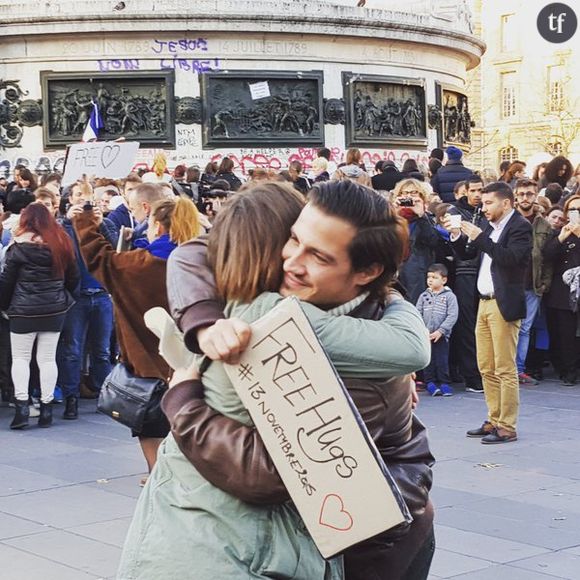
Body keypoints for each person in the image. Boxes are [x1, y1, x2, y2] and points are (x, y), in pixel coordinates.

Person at [120, 182, 435, 580]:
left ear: (367, 272)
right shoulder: (271, 298)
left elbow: (268, 474)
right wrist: (202, 323)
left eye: (318, 256)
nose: (292, 262)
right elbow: (194, 253)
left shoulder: (356, 357)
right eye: (292, 240)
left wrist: (183, 399)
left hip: (357, 550)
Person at [72, 193, 201, 472]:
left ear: (158, 225)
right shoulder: (201, 261)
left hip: (146, 360)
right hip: (194, 360)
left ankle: (157, 474)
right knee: (189, 421)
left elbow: (99, 258)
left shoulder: (137, 266)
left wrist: (84, 222)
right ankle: (185, 472)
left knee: (149, 423)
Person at [447, 182, 533, 444]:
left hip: (503, 303)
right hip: (483, 302)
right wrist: (457, 236)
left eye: (488, 203)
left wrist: (479, 237)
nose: (483, 208)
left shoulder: (520, 227)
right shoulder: (489, 227)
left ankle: (507, 425)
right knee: (486, 366)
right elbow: (468, 253)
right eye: (482, 203)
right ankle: (493, 418)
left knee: (505, 367)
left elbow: (510, 259)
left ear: (505, 203)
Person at [0, 203, 79, 429]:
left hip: (23, 310)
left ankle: (22, 409)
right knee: (47, 358)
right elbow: (73, 278)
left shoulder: (19, 247)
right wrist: (65, 298)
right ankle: (47, 411)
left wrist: (4, 306)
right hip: (54, 310)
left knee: (21, 358)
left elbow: (6, 282)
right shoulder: (62, 243)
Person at [56, 180, 116, 419]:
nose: (83, 199)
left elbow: (116, 250)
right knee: (72, 350)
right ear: (69, 199)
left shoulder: (105, 222)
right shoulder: (63, 226)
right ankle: (71, 398)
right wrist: (68, 223)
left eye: (87, 194)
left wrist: (101, 224)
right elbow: (60, 252)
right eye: (78, 194)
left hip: (101, 294)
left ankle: (107, 397)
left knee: (101, 351)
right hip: (76, 296)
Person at [447, 176, 488, 393]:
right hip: (464, 271)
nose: (477, 195)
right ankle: (471, 374)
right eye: (473, 190)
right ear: (466, 191)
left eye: (481, 190)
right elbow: (459, 243)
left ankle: (482, 372)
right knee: (467, 325)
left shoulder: (487, 212)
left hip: (485, 271)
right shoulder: (456, 212)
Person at [513, 179, 552, 386]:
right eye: (521, 194)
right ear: (515, 196)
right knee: (509, 327)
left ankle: (518, 369)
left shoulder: (544, 224)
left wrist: (544, 283)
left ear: (535, 195)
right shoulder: (509, 220)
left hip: (533, 284)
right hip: (510, 283)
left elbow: (547, 257)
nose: (525, 198)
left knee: (525, 328)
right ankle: (507, 369)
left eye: (529, 194)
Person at [542, 195, 580, 385]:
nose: (576, 214)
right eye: (572, 210)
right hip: (561, 291)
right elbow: (547, 254)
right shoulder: (558, 233)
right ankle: (567, 370)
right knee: (563, 332)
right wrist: (562, 236)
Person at [393, 178, 441, 304]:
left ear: (422, 197)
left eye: (413, 193)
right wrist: (393, 214)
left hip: (418, 274)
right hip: (394, 272)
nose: (408, 197)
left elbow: (433, 241)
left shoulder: (427, 218)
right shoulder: (391, 217)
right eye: (404, 194)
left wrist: (421, 216)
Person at [416, 263, 459, 397]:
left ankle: (444, 383)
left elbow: (452, 315)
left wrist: (441, 331)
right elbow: (417, 313)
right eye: (429, 277)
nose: (430, 280)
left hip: (441, 335)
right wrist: (423, 330)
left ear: (444, 280)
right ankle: (430, 383)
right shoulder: (423, 296)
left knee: (442, 360)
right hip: (426, 335)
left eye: (434, 277)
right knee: (428, 360)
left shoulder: (449, 296)